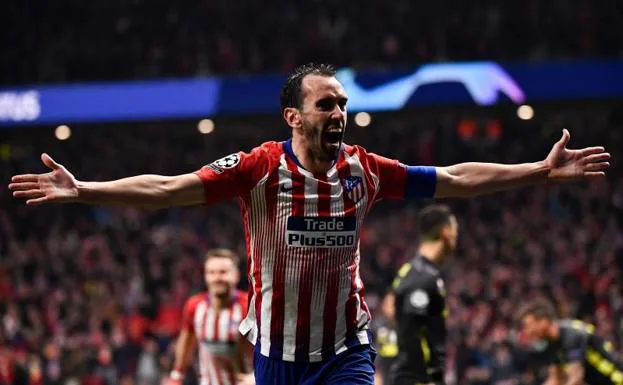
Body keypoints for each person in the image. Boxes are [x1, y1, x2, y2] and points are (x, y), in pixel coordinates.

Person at [9, 63, 611, 384]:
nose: (341, 113)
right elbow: (169, 189)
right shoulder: (260, 168)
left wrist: (537, 170)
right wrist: (83, 189)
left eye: (344, 103)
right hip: (274, 356)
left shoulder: (365, 170)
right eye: (328, 104)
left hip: (345, 348)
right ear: (294, 115)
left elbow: (452, 178)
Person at [164, 248, 254, 385]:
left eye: (223, 272)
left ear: (236, 275)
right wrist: (177, 374)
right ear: (205, 276)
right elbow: (187, 340)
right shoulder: (194, 306)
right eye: (212, 273)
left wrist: (256, 377)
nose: (217, 278)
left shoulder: (249, 307)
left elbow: (266, 345)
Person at [389, 204, 457, 385]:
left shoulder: (418, 271)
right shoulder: (422, 275)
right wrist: (427, 378)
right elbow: (411, 331)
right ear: (445, 232)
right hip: (416, 379)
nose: (455, 237)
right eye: (454, 231)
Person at [514, 298, 623, 385]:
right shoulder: (552, 343)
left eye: (528, 325)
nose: (527, 331)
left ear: (544, 321)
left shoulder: (571, 335)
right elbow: (556, 379)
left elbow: (576, 379)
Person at [373, 292, 399, 385]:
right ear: (384, 306)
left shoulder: (406, 327)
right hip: (383, 371)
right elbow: (372, 351)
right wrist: (375, 373)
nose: (392, 308)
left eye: (395, 304)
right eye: (389, 304)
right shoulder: (377, 326)